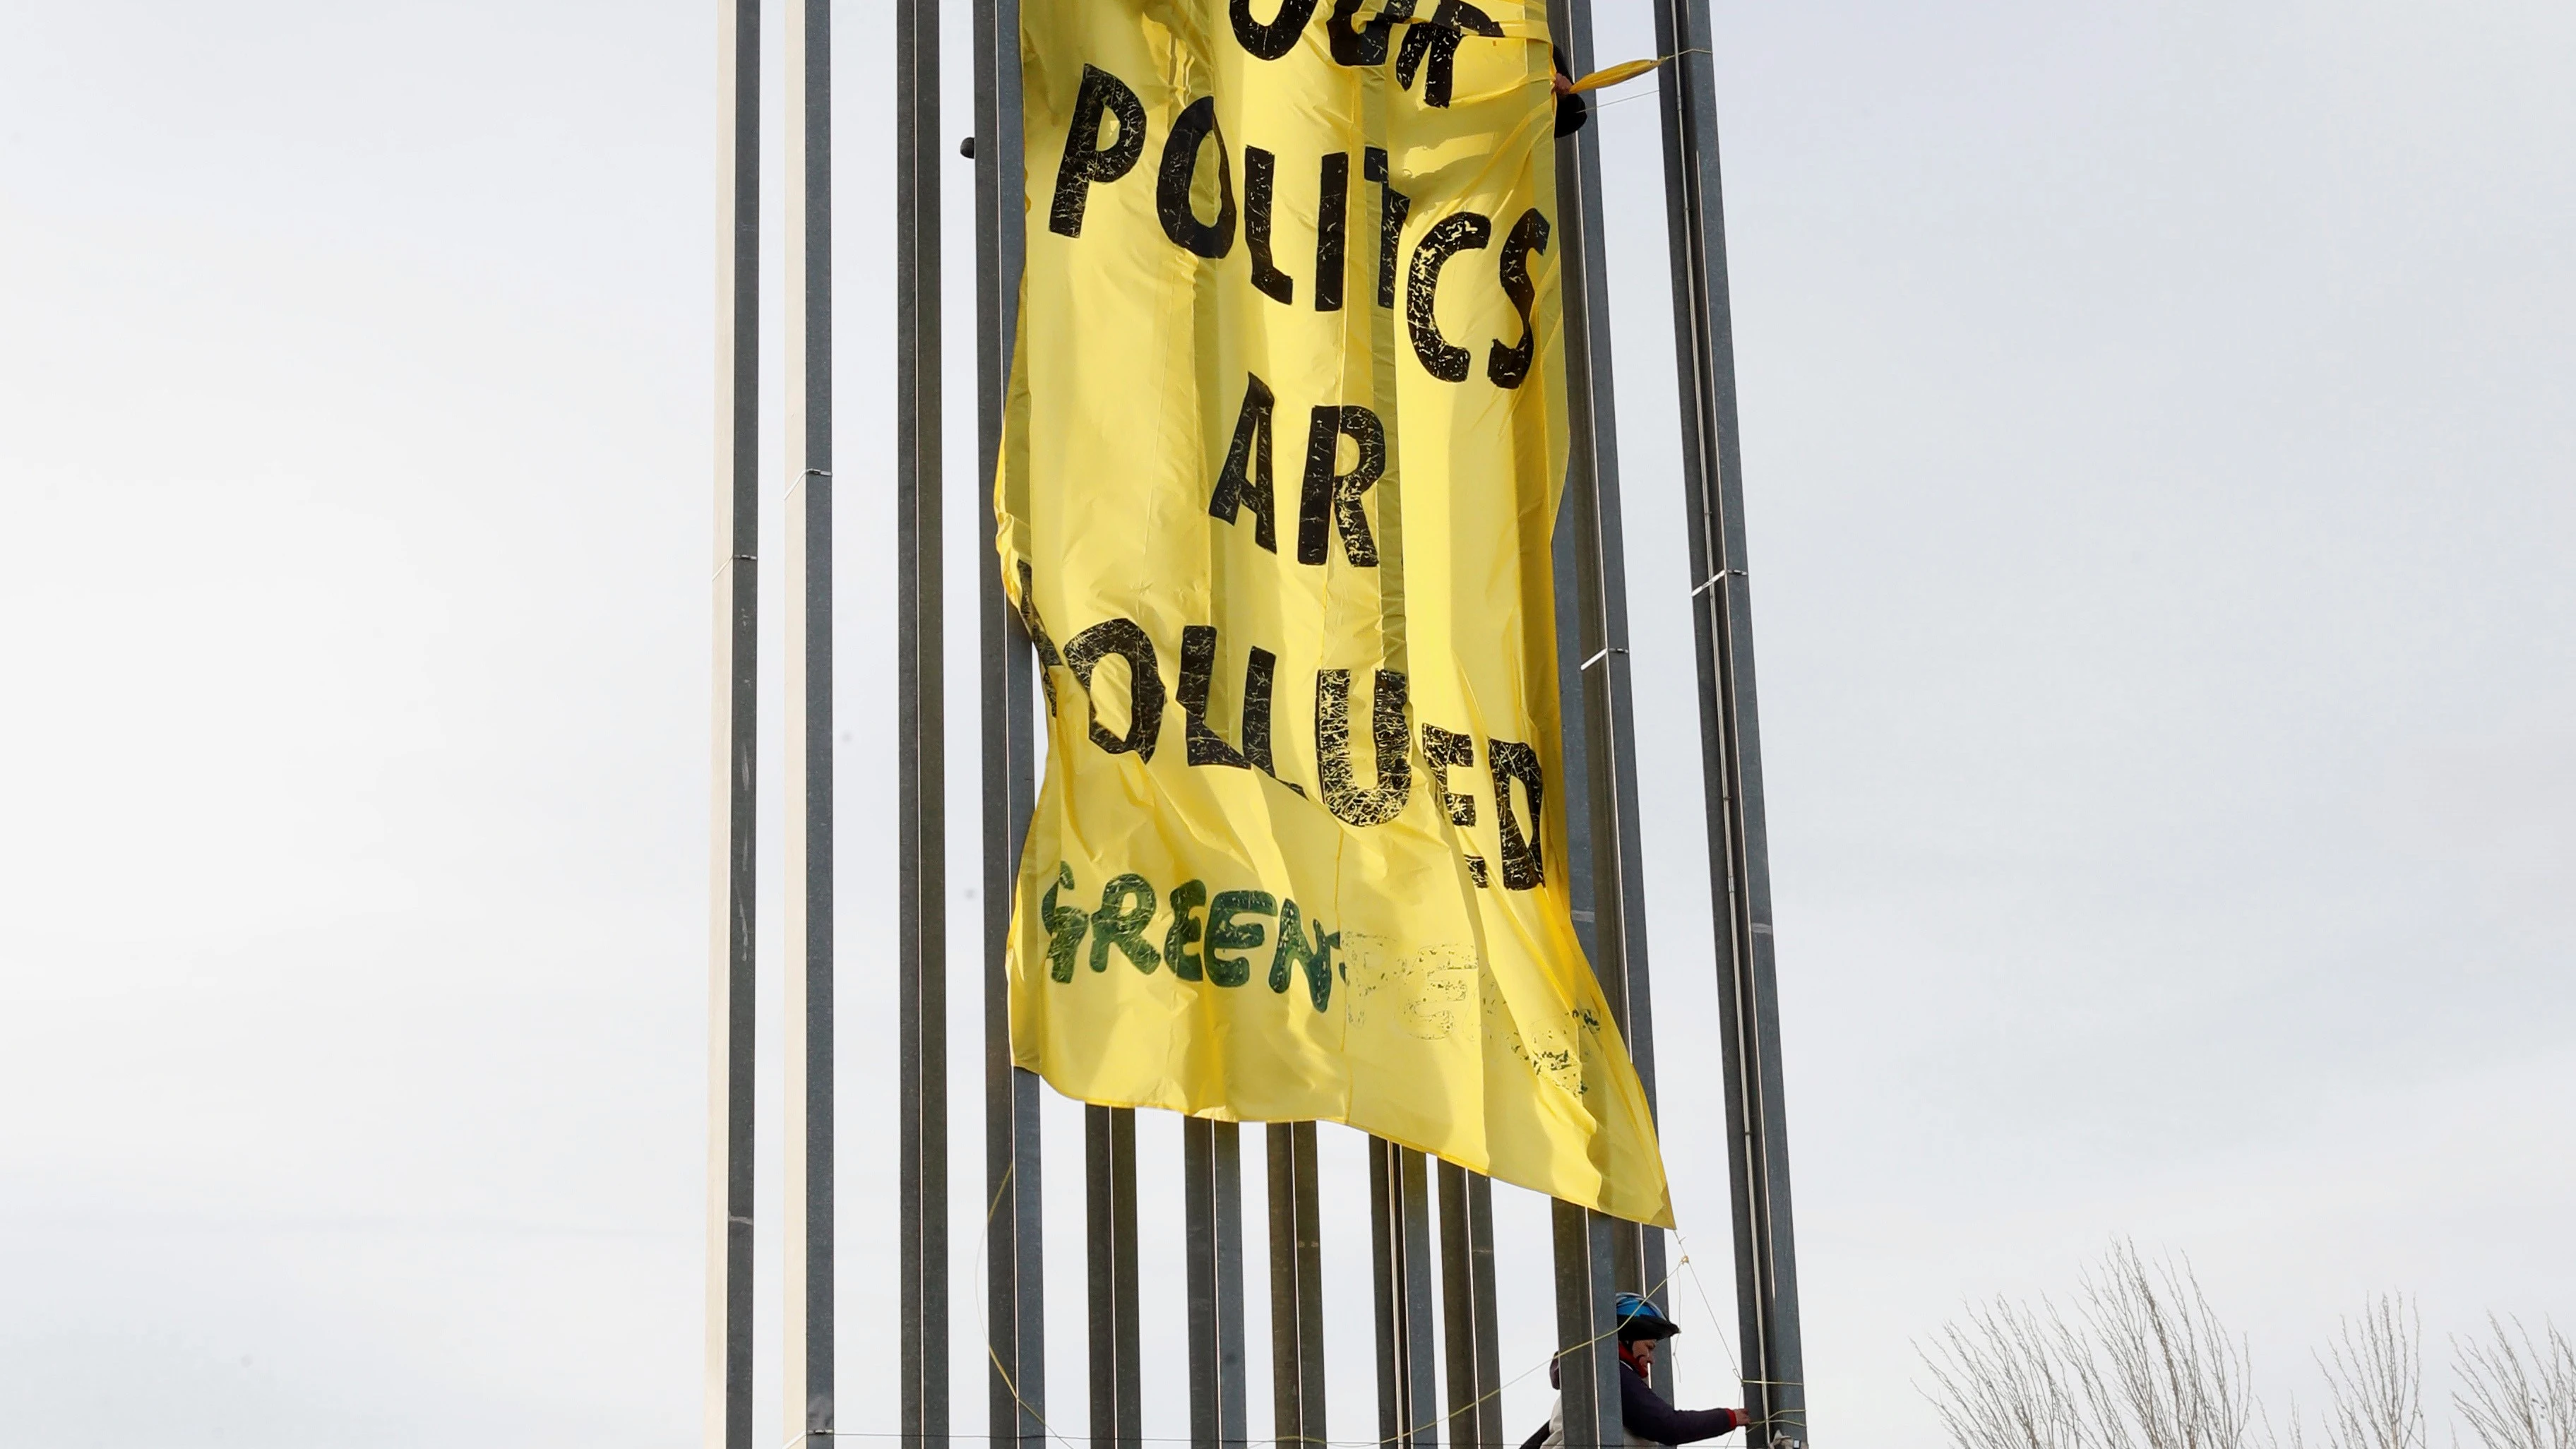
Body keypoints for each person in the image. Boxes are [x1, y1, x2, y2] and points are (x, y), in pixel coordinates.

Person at [1520, 1292, 1752, 1449]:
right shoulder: (1615, 1376)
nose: (1651, 1359)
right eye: (1649, 1347)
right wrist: (1728, 1417)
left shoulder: (1585, 1385)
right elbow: (1667, 1426)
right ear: (1628, 1337)